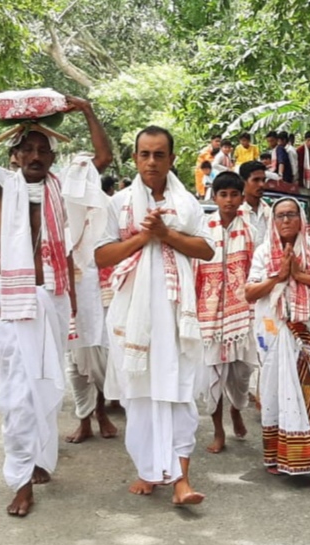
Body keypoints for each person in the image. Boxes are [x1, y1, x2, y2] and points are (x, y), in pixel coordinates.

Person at [0, 93, 113, 517]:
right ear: (14, 156)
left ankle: (39, 457)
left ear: (53, 157)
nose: (36, 155)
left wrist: (87, 110)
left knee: (47, 388)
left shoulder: (66, 187)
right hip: (14, 300)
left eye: (43, 149)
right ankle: (20, 481)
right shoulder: (0, 184)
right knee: (17, 393)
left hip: (53, 296)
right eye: (28, 149)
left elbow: (103, 156)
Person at [95, 126, 214, 507]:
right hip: (133, 316)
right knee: (140, 396)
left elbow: (206, 250)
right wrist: (143, 238)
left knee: (178, 394)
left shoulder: (188, 205)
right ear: (134, 159)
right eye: (144, 154)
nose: (151, 161)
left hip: (177, 316)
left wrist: (165, 233)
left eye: (159, 154)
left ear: (171, 159)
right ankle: (149, 470)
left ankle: (181, 480)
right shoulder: (118, 204)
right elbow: (101, 255)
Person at [245, 197, 310, 483]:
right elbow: (250, 293)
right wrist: (280, 276)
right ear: (273, 222)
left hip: (309, 332)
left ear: (301, 219)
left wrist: (300, 275)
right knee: (276, 393)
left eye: (291, 215)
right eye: (280, 216)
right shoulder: (263, 252)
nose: (285, 220)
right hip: (276, 334)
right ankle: (276, 455)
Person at [195, 172, 255, 454]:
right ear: (215, 197)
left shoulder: (252, 231)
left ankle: (237, 409)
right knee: (212, 375)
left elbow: (257, 270)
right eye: (223, 195)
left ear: (242, 198)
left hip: (242, 313)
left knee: (242, 373)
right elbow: (193, 267)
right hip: (208, 315)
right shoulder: (203, 228)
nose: (229, 200)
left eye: (234, 195)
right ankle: (218, 430)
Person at [64, 154, 118, 445]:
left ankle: (101, 412)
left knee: (104, 355)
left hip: (104, 293)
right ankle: (83, 419)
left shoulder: (107, 207)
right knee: (75, 361)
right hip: (71, 295)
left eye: (87, 174)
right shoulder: (59, 210)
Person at [238, 160, 272, 242]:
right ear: (243, 182)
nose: (261, 185)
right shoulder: (234, 212)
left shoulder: (270, 211)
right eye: (256, 180)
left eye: (263, 180)